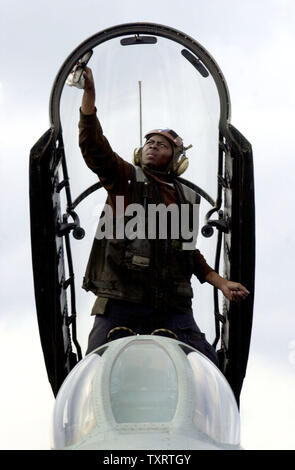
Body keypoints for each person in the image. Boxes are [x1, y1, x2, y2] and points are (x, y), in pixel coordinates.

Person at [78, 67, 249, 366]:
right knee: (94, 370)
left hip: (172, 308)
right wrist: (89, 95)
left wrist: (219, 281)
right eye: (149, 142)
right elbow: (94, 147)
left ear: (177, 159)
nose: (153, 145)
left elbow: (186, 252)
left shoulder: (185, 197)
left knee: (209, 369)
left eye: (163, 144)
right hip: (121, 303)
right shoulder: (124, 179)